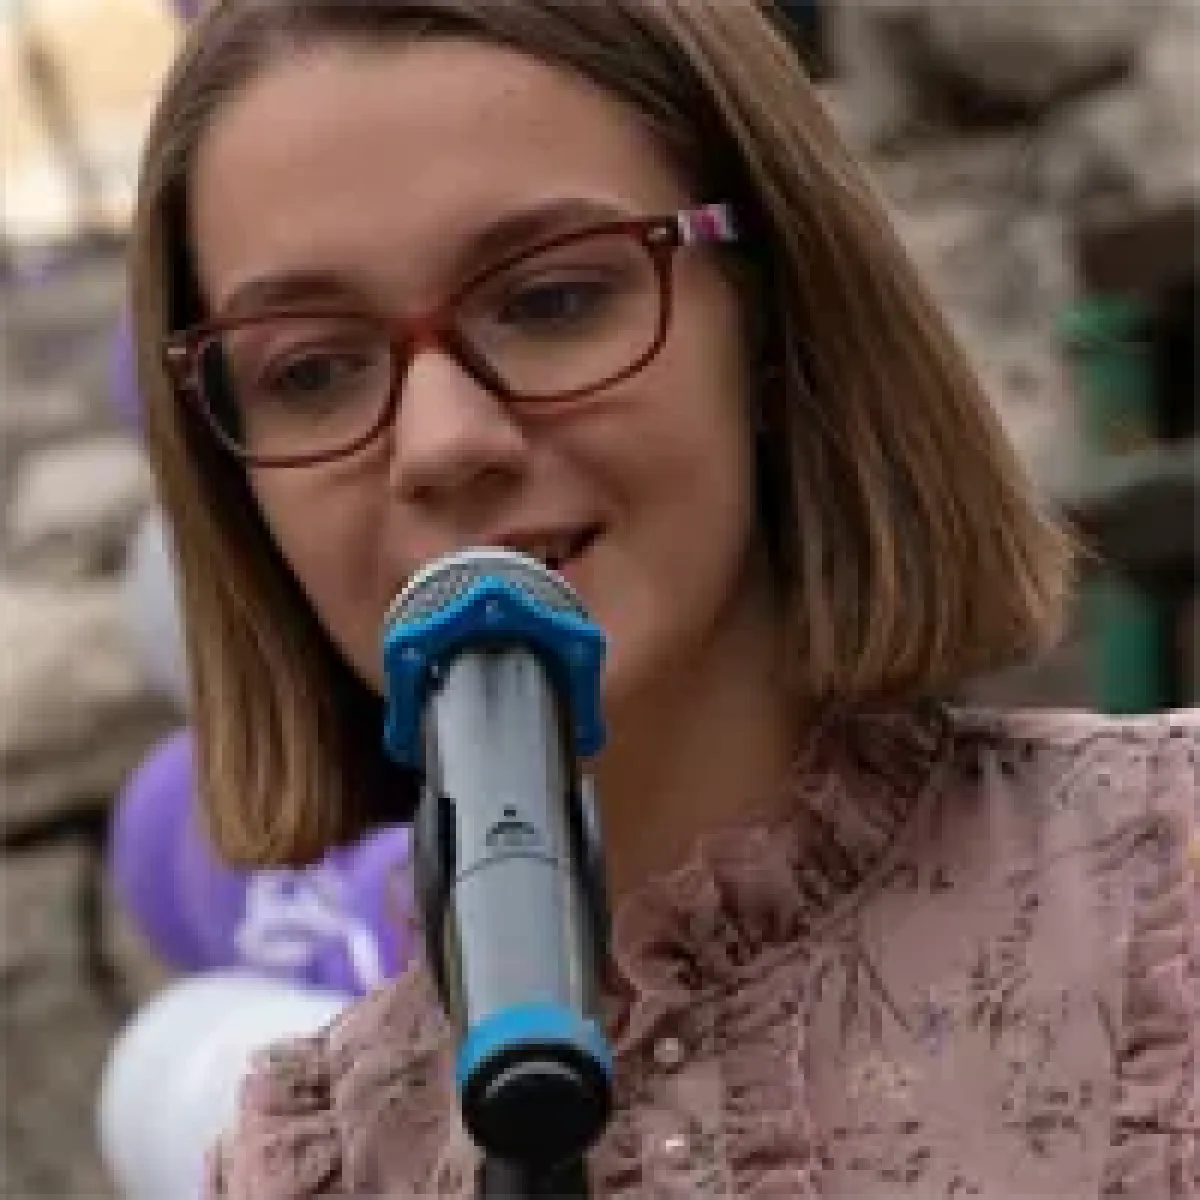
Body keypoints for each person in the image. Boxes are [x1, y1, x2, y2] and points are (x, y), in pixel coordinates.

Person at [128, 0, 1200, 1195]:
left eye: (551, 300)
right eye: (312, 370)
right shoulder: (310, 1164)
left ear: (774, 316)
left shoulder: (1172, 883)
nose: (442, 442)